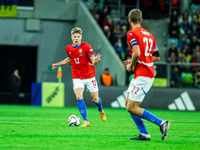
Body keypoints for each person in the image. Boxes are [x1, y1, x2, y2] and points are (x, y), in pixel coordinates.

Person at [123, 9, 170, 141]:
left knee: (132, 107)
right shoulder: (149, 35)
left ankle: (161, 123)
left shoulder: (132, 33)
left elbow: (137, 53)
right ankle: (144, 134)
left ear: (129, 20)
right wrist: (135, 60)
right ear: (141, 20)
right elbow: (156, 57)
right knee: (128, 104)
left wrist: (130, 65)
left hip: (144, 74)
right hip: (143, 72)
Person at [52, 27, 106, 127]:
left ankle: (100, 109)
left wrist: (96, 60)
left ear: (81, 37)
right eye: (74, 37)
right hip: (77, 77)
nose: (76, 38)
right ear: (71, 37)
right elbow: (70, 58)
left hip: (90, 77)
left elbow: (93, 60)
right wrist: (58, 64)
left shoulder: (86, 46)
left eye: (78, 36)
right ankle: (86, 121)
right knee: (78, 96)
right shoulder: (68, 48)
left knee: (95, 100)